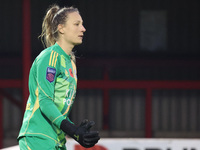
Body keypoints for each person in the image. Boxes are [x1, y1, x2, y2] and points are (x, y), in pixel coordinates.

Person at [17, 4, 100, 150]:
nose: (83, 28)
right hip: (38, 138)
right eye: (77, 24)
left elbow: (58, 108)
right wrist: (72, 130)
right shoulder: (50, 57)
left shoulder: (71, 64)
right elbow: (45, 102)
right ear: (61, 28)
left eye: (82, 24)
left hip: (57, 141)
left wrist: (76, 133)